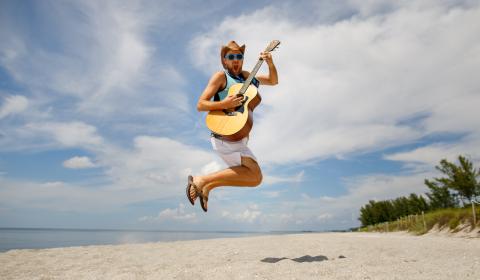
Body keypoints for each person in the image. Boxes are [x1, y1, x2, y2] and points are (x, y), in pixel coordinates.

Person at [186, 40, 278, 212]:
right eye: (231, 56)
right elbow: (200, 104)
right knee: (254, 175)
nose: (236, 60)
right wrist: (225, 103)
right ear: (224, 60)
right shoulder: (221, 77)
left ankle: (207, 186)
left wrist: (270, 63)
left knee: (255, 178)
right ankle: (201, 181)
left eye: (239, 56)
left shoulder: (247, 77)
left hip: (239, 137)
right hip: (224, 134)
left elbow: (273, 81)